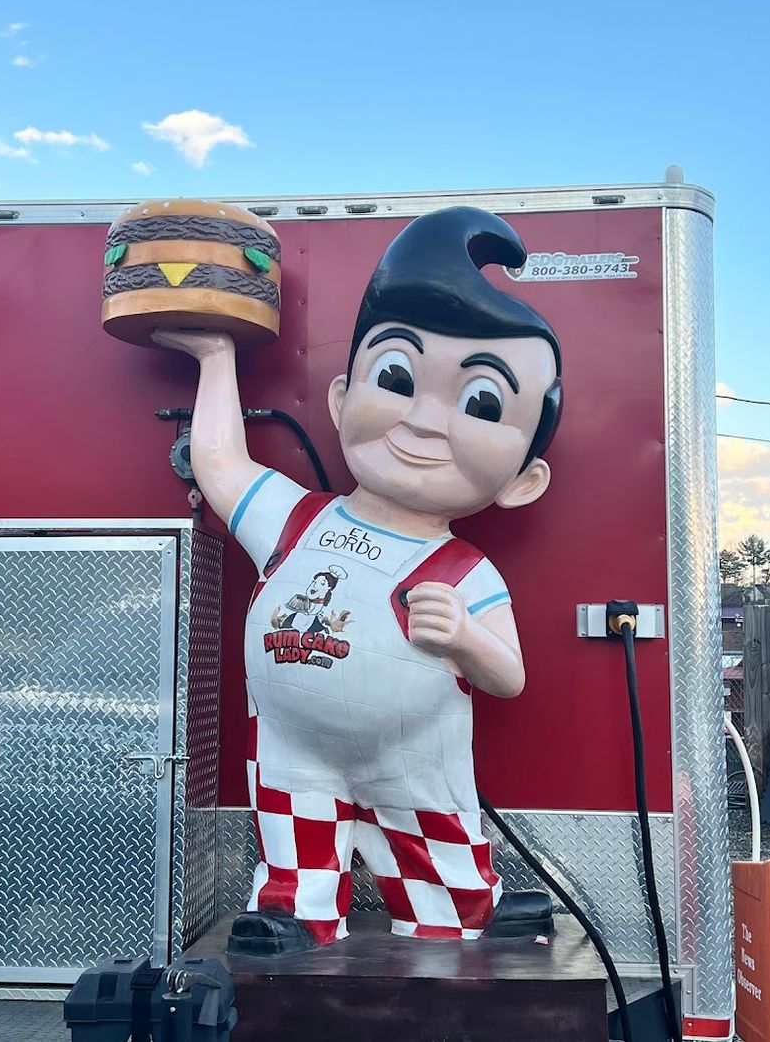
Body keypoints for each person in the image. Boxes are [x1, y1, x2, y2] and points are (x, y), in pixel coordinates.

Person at [154, 206, 563, 951]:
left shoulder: (466, 570)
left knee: (439, 851)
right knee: (293, 835)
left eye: (480, 402)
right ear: (343, 399)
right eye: (398, 377)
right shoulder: (296, 517)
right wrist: (216, 357)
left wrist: (467, 637)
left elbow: (510, 677)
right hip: (292, 743)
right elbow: (219, 464)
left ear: (523, 481)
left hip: (413, 752)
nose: (424, 422)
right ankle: (294, 910)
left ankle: (466, 906)